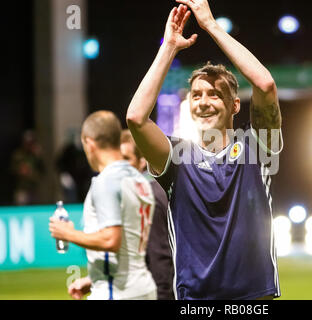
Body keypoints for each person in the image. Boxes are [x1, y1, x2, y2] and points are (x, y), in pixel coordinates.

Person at [126, 1, 283, 300]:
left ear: (235, 105)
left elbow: (264, 84)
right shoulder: (175, 157)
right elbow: (136, 117)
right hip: (195, 301)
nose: (204, 101)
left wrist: (211, 25)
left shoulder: (256, 149)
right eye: (196, 95)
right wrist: (169, 47)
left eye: (215, 94)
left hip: (254, 299)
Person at [49, 111, 157, 300]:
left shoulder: (106, 181)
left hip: (115, 292)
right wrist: (93, 280)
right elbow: (127, 245)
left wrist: (67, 233)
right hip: (143, 288)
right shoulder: (140, 182)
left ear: (89, 144)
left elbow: (110, 240)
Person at [120, 129, 175, 300]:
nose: (119, 165)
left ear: (142, 161)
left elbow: (161, 258)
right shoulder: (140, 192)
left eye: (126, 159)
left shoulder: (148, 195)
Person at [10, 130, 45, 205]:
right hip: (22, 188)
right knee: (21, 206)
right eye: (28, 143)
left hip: (34, 187)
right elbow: (12, 169)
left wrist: (38, 156)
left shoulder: (36, 155)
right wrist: (20, 170)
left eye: (31, 143)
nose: (29, 145)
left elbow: (43, 170)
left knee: (35, 206)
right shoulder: (18, 155)